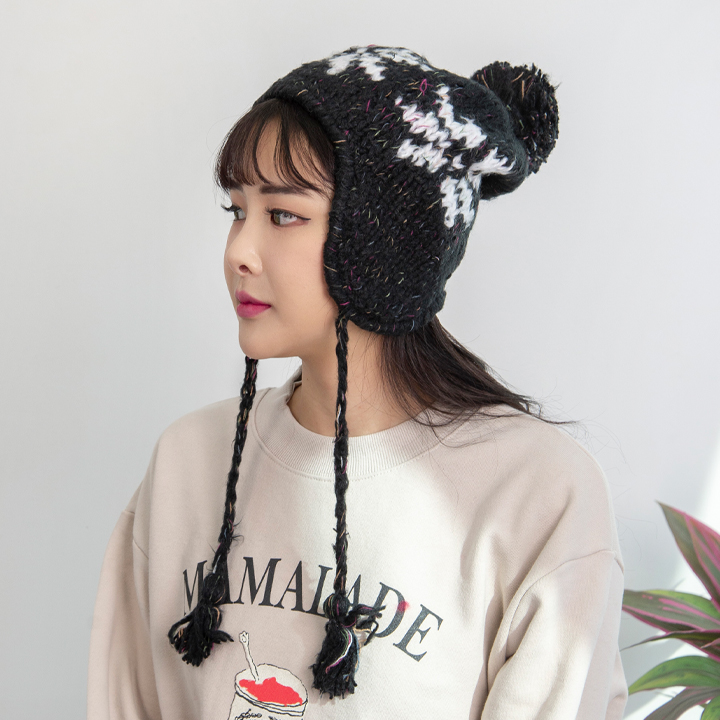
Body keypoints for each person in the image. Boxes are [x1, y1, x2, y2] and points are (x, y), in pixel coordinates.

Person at [87, 45, 628, 719]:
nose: (239, 252)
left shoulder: (537, 492)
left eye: (283, 214)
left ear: (384, 243)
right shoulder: (187, 463)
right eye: (236, 210)